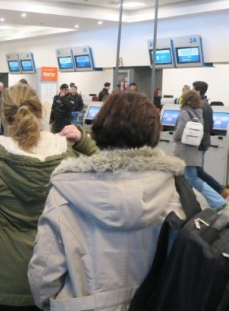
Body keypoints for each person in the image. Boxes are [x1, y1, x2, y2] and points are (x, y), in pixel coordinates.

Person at [28, 91, 185, 310]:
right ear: (153, 132)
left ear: (100, 126)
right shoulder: (175, 189)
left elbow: (44, 275)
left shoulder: (66, 190)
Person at [0, 83, 98, 311]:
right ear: (42, 112)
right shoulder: (67, 153)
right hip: (58, 271)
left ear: (5, 119)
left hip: (6, 275)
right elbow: (108, 178)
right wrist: (85, 142)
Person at [174, 90, 226, 211]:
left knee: (192, 177)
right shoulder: (199, 112)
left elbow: (180, 130)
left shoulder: (184, 113)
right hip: (195, 148)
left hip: (185, 150)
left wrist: (174, 137)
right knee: (189, 176)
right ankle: (186, 201)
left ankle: (217, 201)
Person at [192, 81, 229, 201]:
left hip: (198, 142)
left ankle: (221, 192)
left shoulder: (199, 105)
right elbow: (211, 126)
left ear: (198, 91)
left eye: (193, 90)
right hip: (204, 141)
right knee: (195, 171)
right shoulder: (207, 105)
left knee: (196, 171)